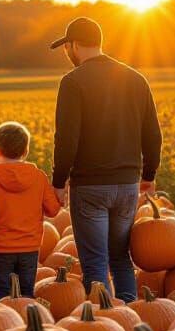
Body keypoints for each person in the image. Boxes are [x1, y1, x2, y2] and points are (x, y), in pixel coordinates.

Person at [49, 17, 162, 302]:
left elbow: (66, 140)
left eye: (66, 48)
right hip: (127, 185)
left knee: (96, 264)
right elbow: (153, 134)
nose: (67, 53)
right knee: (121, 259)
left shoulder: (73, 82)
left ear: (74, 45)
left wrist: (59, 181)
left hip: (90, 187)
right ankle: (130, 319)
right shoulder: (136, 79)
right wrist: (148, 175)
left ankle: (106, 324)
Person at [0, 121, 62, 300]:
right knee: (27, 292)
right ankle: (27, 325)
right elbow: (52, 210)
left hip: (1, 248)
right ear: (26, 151)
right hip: (30, 247)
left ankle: (7, 327)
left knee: (1, 292)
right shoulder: (38, 177)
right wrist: (60, 194)